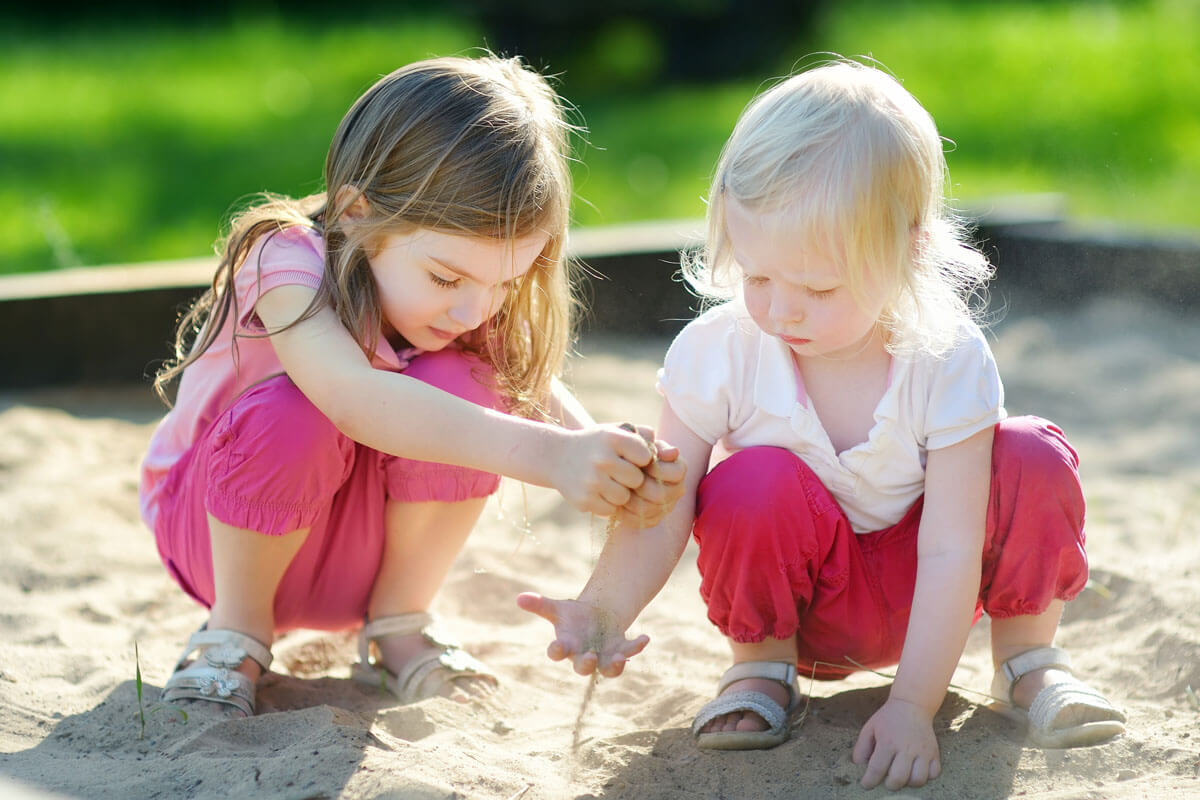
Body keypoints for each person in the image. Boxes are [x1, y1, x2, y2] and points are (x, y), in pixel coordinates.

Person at [518, 58, 1125, 791]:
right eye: (757, 275)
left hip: (930, 594)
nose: (780, 309)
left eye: (817, 286)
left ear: (911, 247)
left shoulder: (948, 357)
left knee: (1030, 452)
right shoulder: (721, 354)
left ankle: (1028, 661)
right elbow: (663, 503)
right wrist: (604, 606)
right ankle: (761, 672)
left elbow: (952, 548)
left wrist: (912, 706)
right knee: (750, 479)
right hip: (801, 606)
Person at [139, 55, 685, 720]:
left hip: (363, 566)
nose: (474, 311)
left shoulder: (468, 300)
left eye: (504, 283)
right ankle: (234, 635)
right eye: (447, 279)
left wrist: (611, 464)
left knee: (468, 378)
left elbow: (538, 401)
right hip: (218, 538)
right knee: (297, 413)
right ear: (354, 211)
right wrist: (551, 459)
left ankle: (400, 623)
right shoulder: (285, 262)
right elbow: (356, 399)